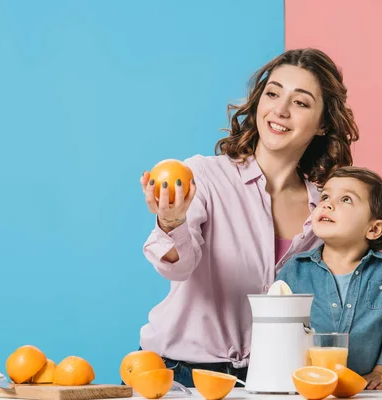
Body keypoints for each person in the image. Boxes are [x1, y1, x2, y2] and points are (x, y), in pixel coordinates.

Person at [138, 48, 360, 387]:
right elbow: (177, 267)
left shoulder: (324, 211)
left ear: (323, 124)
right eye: (272, 94)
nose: (280, 111)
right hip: (179, 375)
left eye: (300, 103)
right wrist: (172, 222)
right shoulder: (204, 176)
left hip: (272, 378)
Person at [275, 166, 382, 390]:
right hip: (306, 386)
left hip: (364, 389)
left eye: (346, 200)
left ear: (374, 229)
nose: (327, 204)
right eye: (325, 196)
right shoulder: (294, 269)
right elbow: (276, 329)